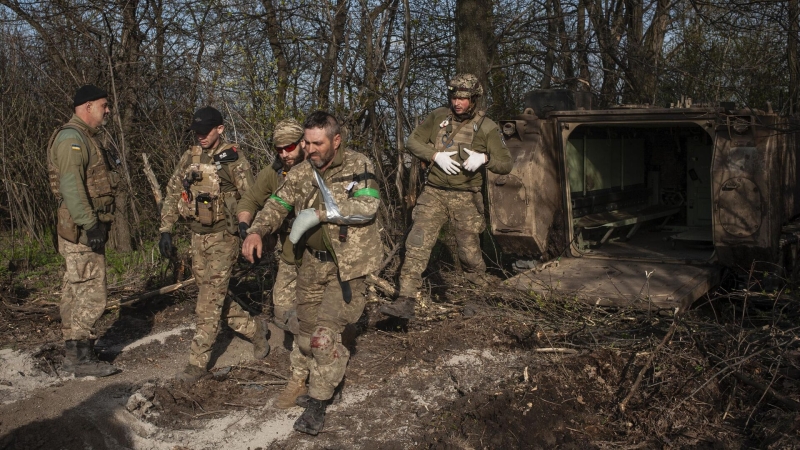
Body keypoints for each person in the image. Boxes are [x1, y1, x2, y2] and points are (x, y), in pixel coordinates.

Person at [242, 111, 381, 435]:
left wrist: (320, 214)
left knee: (322, 338)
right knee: (304, 337)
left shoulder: (358, 166)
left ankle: (319, 402)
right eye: (306, 142)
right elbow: (277, 203)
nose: (310, 148)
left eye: (317, 143)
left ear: (336, 140)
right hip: (312, 264)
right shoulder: (302, 172)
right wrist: (256, 231)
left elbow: (367, 208)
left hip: (347, 267)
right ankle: (310, 378)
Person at [381, 73, 513, 320]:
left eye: (463, 98)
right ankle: (405, 299)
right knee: (416, 244)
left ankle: (479, 299)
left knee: (470, 254)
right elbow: (413, 142)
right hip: (435, 193)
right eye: (454, 97)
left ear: (474, 100)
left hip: (467, 196)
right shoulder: (438, 117)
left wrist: (485, 159)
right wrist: (434, 155)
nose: (457, 103)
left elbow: (506, 164)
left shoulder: (487, 127)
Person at [158, 106, 269, 383]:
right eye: (196, 132)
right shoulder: (191, 156)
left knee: (208, 301)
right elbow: (174, 190)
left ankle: (197, 364)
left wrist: (250, 231)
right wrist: (165, 229)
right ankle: (255, 329)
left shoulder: (234, 160)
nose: (200, 137)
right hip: (197, 237)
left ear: (220, 129)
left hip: (224, 238)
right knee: (213, 294)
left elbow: (251, 197)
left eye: (205, 131)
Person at [47, 84, 121, 377]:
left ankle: (76, 353)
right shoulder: (71, 139)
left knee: (75, 290)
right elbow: (72, 188)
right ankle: (80, 357)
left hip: (80, 227)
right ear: (88, 106)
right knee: (90, 292)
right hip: (81, 230)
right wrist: (90, 224)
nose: (107, 111)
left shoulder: (83, 138)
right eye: (104, 105)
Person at [235, 118, 307, 409]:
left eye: (289, 147)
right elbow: (250, 201)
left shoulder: (319, 167)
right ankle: (303, 343)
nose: (284, 153)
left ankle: (310, 360)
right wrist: (246, 229)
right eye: (278, 149)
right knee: (282, 304)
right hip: (290, 246)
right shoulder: (274, 172)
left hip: (322, 247)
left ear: (303, 142)